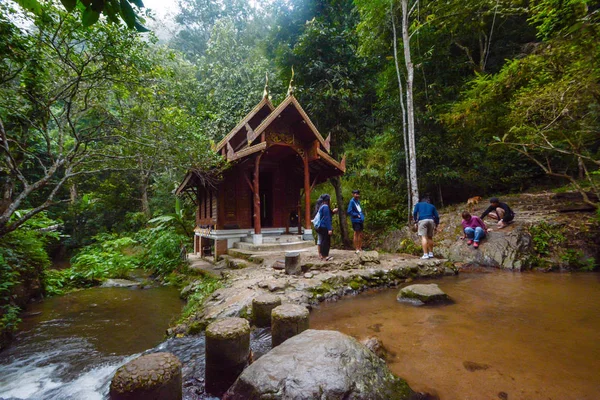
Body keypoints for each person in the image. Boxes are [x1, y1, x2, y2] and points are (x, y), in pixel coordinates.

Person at [315, 194, 334, 261]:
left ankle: (323, 255)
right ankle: (325, 255)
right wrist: (329, 229)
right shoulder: (325, 207)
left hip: (321, 226)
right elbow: (327, 219)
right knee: (326, 241)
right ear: (328, 200)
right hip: (324, 227)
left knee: (323, 241)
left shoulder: (322, 206)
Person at [347, 189, 365, 253]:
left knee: (360, 233)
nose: (356, 195)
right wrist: (356, 215)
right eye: (355, 194)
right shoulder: (352, 202)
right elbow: (349, 211)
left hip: (360, 220)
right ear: (353, 194)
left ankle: (360, 248)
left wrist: (361, 216)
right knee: (356, 233)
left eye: (357, 194)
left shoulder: (358, 201)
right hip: (355, 220)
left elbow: (359, 210)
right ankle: (356, 248)